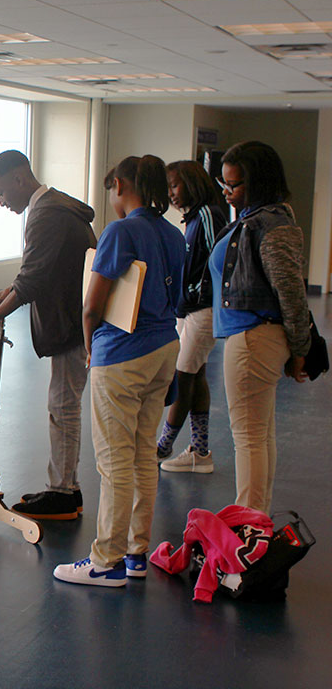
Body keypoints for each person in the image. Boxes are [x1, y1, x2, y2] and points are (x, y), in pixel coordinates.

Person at [53, 155, 186, 588]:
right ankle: (136, 552)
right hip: (165, 347)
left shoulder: (121, 232)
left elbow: (93, 304)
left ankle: (104, 561)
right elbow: (179, 298)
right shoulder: (173, 234)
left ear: (122, 185)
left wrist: (91, 345)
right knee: (144, 453)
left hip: (123, 353)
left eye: (113, 188)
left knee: (114, 461)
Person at [0, 150, 96, 520]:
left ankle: (64, 494)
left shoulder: (46, 214)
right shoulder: (55, 206)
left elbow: (33, 280)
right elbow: (37, 272)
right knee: (62, 405)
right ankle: (63, 486)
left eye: (2, 193)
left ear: (21, 180)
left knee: (63, 407)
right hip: (73, 320)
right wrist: (5, 295)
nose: (2, 203)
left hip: (71, 325)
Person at [210, 141, 310, 514]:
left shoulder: (272, 225)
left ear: (257, 183)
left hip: (253, 339)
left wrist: (301, 349)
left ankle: (249, 528)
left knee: (249, 439)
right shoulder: (254, 219)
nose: (226, 193)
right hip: (250, 336)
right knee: (259, 436)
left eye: (233, 186)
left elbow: (292, 293)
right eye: (224, 184)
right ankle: (257, 521)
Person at [156, 162, 229, 473]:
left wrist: (198, 293)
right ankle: (200, 451)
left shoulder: (209, 215)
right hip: (190, 308)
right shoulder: (194, 219)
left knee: (183, 374)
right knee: (195, 373)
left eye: (174, 186)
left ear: (191, 183)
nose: (170, 194)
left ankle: (162, 447)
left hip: (204, 309)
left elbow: (217, 259)